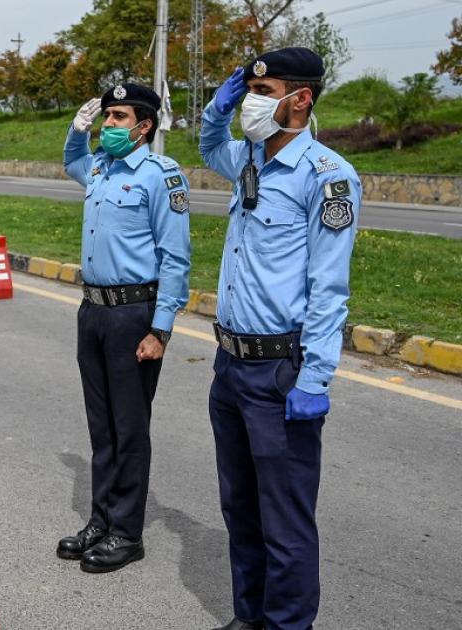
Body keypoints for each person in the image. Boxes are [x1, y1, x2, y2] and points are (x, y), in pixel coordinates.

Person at [200, 47, 360, 630]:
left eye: (263, 93)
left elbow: (329, 288)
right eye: (248, 91)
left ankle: (288, 624)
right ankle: (250, 616)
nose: (251, 102)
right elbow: (208, 146)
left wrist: (314, 378)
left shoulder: (328, 176)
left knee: (285, 521)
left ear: (301, 99)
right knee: (240, 507)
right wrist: (216, 110)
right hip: (229, 363)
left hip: (279, 371)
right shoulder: (247, 157)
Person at [56, 84, 192, 573]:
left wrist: (161, 330)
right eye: (106, 116)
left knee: (129, 427)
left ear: (144, 126)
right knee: (102, 426)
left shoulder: (161, 175)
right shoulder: (101, 167)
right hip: (92, 310)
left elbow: (175, 257)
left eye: (118, 117)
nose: (108, 125)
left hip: (133, 314)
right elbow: (72, 160)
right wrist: (77, 130)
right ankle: (101, 520)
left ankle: (127, 533)